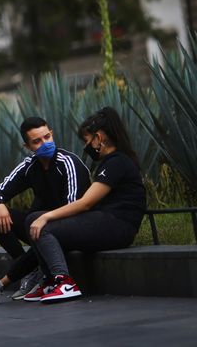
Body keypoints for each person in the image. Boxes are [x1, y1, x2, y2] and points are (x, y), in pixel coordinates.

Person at [25, 106, 147, 303]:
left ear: (98, 138)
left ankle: (64, 283)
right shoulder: (111, 162)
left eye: (87, 141)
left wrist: (47, 216)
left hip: (117, 226)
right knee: (32, 219)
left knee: (44, 226)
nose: (86, 146)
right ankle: (49, 281)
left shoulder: (117, 162)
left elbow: (85, 203)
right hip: (107, 222)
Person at [0, 116, 90, 305]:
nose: (45, 143)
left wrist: (45, 219)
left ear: (52, 134)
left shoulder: (68, 163)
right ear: (28, 146)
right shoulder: (30, 166)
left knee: (35, 222)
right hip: (40, 227)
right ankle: (31, 270)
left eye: (47, 137)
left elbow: (74, 209)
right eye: (37, 141)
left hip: (69, 227)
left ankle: (0, 284)